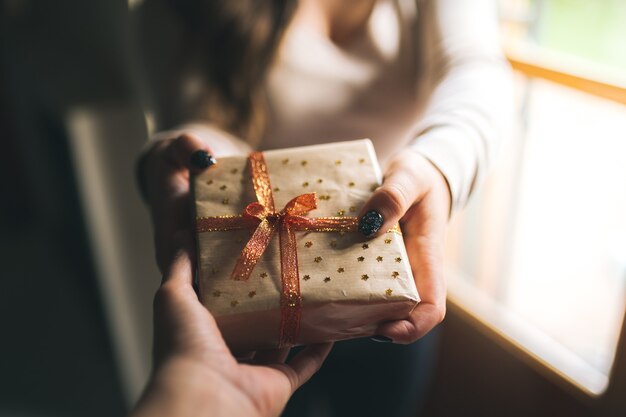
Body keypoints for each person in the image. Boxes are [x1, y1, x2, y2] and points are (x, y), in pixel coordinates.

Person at [133, 0, 513, 415]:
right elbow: (202, 123)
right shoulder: (175, 11)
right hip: (254, 299)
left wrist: (438, 166)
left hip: (384, 283)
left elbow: (476, 72)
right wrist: (192, 155)